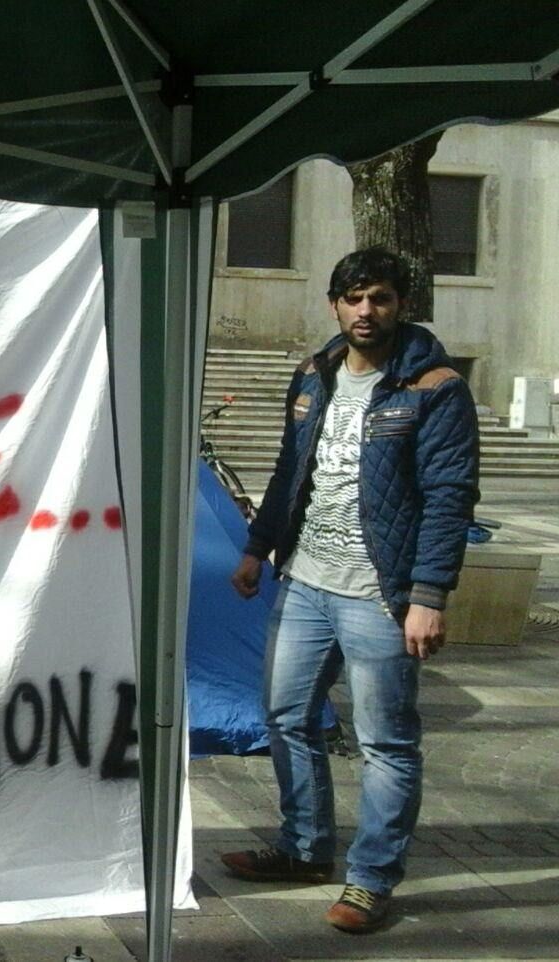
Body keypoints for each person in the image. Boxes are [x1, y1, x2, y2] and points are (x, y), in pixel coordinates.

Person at [221, 248, 479, 933]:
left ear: (401, 306)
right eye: (355, 298)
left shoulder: (435, 387)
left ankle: (371, 879)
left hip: (379, 594)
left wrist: (428, 595)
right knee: (285, 718)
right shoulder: (314, 376)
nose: (368, 311)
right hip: (304, 582)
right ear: (335, 304)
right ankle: (305, 850)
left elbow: (451, 497)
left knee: (385, 743)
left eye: (382, 299)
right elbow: (289, 472)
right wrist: (255, 548)